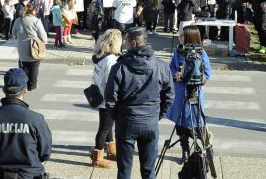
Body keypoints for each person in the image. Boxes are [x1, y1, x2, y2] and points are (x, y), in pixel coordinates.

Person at [104, 27, 174, 179]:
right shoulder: (161, 66)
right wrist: (157, 115)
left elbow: (110, 99)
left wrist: (118, 116)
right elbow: (169, 96)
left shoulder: (119, 67)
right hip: (150, 121)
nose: (124, 45)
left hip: (126, 122)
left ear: (134, 44)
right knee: (149, 171)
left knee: (124, 170)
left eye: (127, 42)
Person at [0, 68, 52, 179]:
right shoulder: (36, 119)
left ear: (4, 90)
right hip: (29, 175)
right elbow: (45, 153)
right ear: (25, 90)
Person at [165, 26, 211, 163]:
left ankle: (202, 149)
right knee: (180, 123)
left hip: (194, 94)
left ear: (190, 37)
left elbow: (207, 74)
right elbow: (171, 67)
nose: (180, 38)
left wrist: (191, 78)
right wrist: (176, 75)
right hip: (180, 92)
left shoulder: (201, 54)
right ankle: (184, 150)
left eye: (182, 36)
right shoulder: (178, 52)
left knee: (196, 122)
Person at [90, 29, 122, 169]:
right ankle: (97, 158)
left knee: (108, 127)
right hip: (107, 99)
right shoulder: (111, 60)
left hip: (100, 96)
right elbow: (112, 82)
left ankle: (111, 151)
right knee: (104, 128)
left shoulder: (101, 56)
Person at [12, 3, 48, 91]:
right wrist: (43, 43)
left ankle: (24, 85)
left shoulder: (18, 20)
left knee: (24, 67)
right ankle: (32, 85)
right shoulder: (36, 21)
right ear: (33, 11)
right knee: (34, 67)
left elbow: (13, 33)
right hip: (34, 47)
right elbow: (43, 36)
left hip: (22, 48)